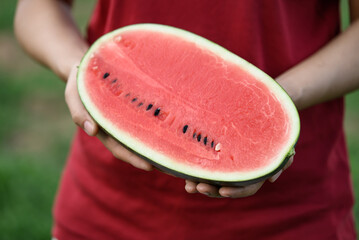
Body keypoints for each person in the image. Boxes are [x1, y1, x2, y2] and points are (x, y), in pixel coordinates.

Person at [14, 0, 359, 239]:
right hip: (105, 213)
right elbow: (37, 7)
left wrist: (274, 100)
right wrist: (80, 69)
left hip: (292, 218)